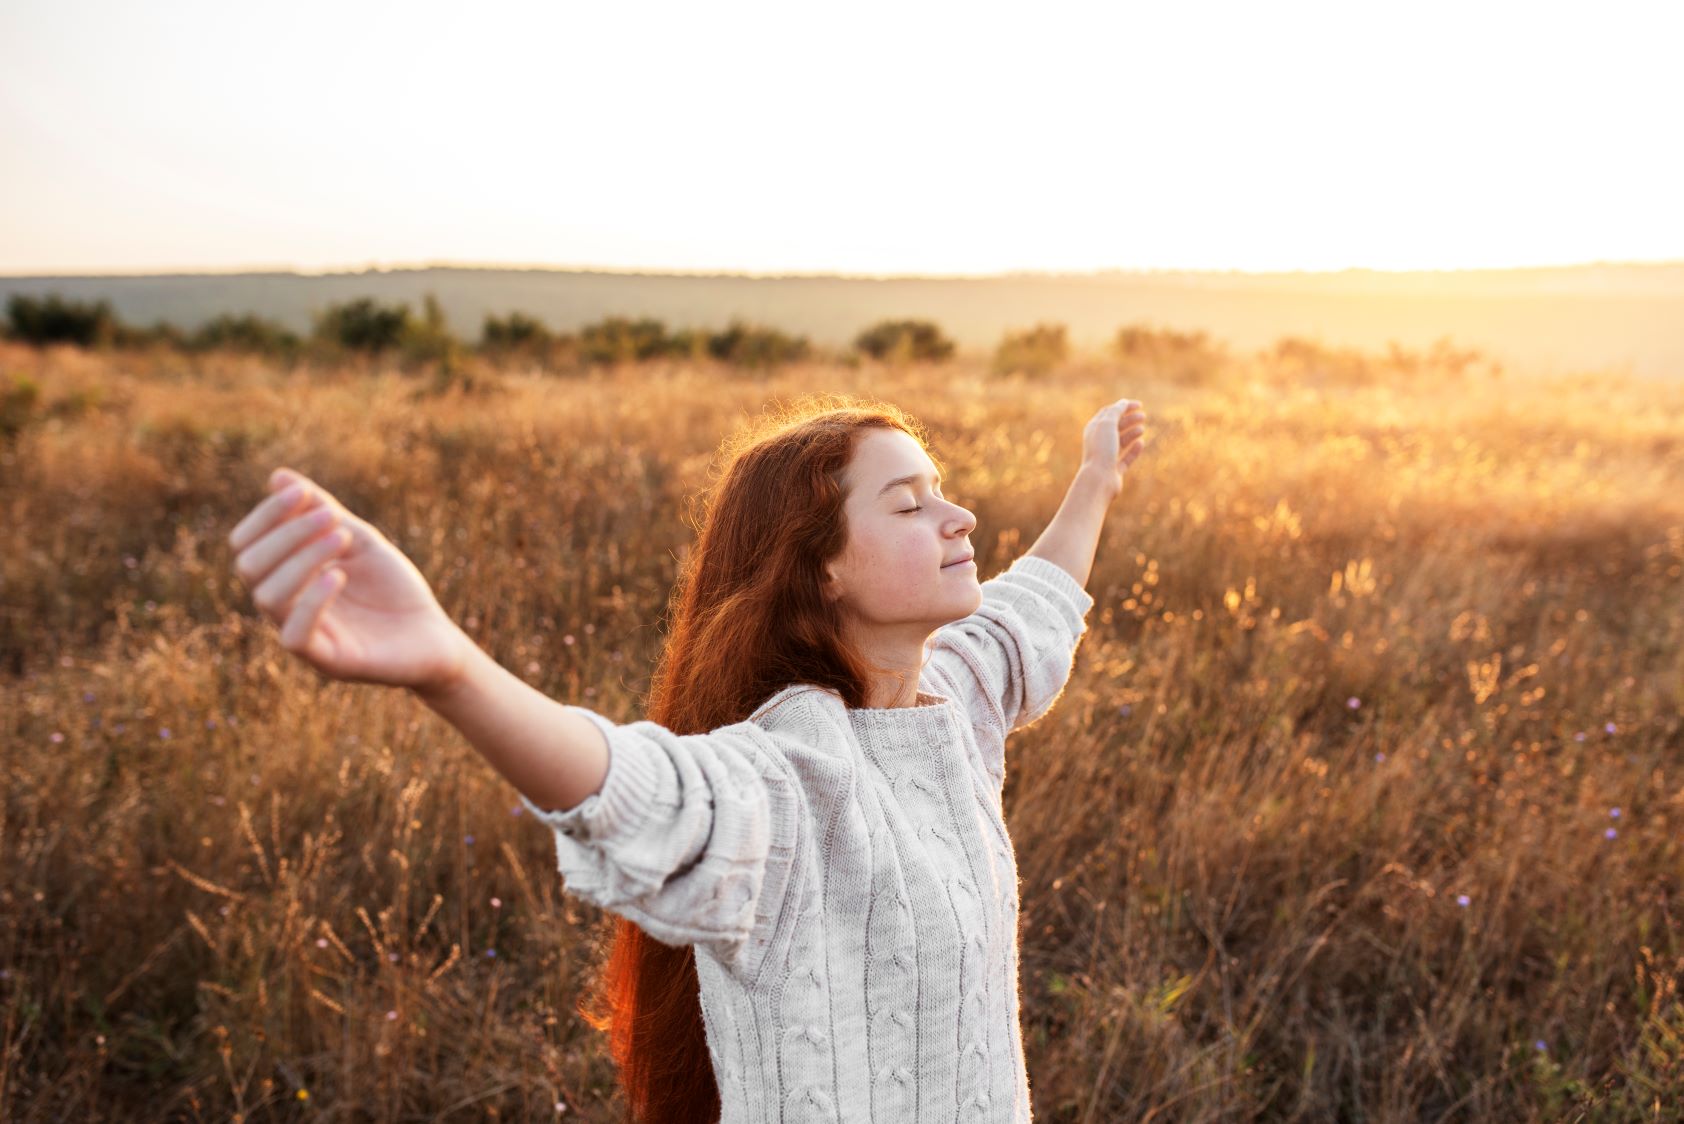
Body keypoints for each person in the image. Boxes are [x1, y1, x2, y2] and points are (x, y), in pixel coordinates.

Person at [226, 392, 1148, 1123]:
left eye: (941, 490)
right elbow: (639, 792)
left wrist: (1095, 480)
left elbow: (1036, 608)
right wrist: (452, 670)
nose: (960, 516)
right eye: (910, 503)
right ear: (819, 570)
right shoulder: (792, 775)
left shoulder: (955, 696)